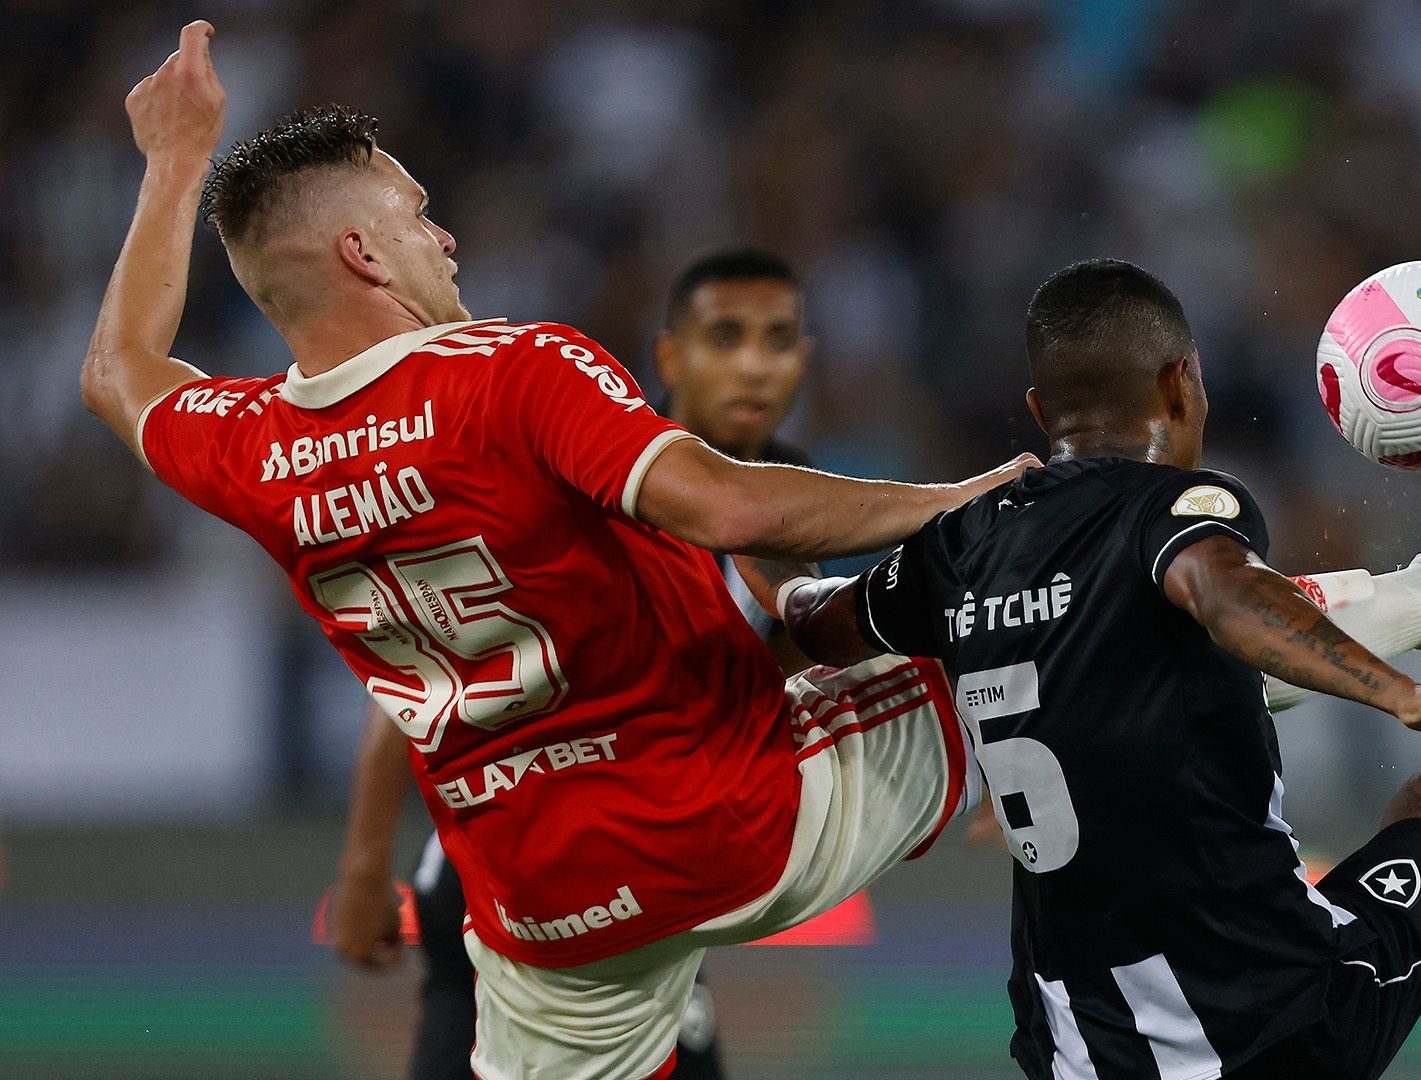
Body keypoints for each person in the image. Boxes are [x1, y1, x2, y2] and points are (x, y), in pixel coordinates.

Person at [84, 25, 1033, 1079]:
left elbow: (119, 369)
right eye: (417, 215)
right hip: (730, 817)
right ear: (363, 255)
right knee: (1015, 595)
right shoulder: (512, 370)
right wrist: (951, 501)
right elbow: (721, 507)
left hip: (544, 907)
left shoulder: (251, 445)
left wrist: (172, 164)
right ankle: (1243, 668)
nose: (444, 240)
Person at [753, 259, 1421, 1079]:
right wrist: (1402, 695)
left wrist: (750, 552)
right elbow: (1222, 589)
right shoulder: (1178, 508)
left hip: (1076, 1052)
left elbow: (810, 623)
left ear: (1041, 414)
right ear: (1181, 383)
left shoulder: (956, 550)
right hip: (1272, 1027)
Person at [327, 246, 824, 1080]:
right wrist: (365, 862)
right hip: (499, 889)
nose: (755, 366)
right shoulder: (586, 460)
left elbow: (793, 659)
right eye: (726, 337)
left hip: (645, 889)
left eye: (778, 341)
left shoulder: (794, 492)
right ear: (669, 356)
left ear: (804, 360)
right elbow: (434, 665)